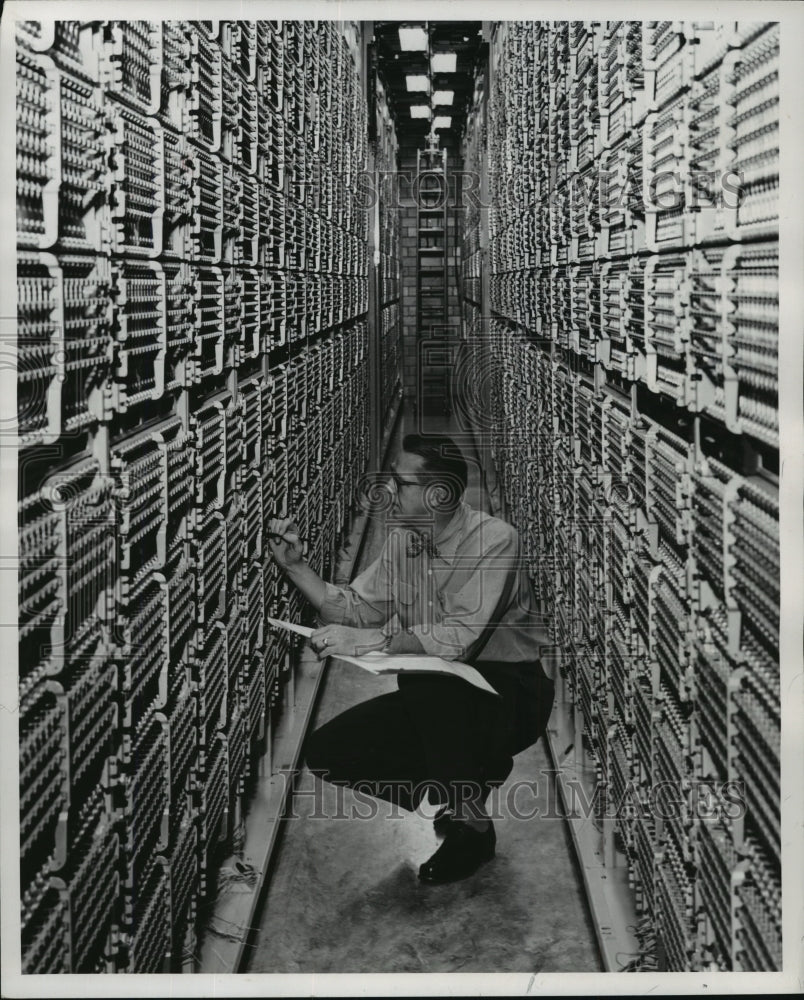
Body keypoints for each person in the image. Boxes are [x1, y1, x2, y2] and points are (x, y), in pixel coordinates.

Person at [267, 433, 554, 884]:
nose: (387, 490)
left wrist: (369, 642)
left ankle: (473, 830)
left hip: (512, 695)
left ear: (438, 493)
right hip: (444, 698)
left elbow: (459, 638)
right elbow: (360, 607)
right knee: (327, 752)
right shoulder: (403, 541)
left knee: (427, 684)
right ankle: (464, 782)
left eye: (400, 483)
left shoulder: (495, 540)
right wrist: (296, 568)